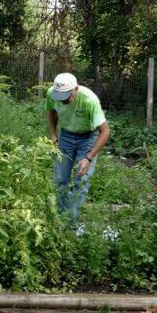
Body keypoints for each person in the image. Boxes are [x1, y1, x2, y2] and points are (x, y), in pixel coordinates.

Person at [46, 72, 111, 225]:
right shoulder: (51, 94)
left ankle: (70, 223)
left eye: (66, 96)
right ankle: (60, 220)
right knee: (59, 179)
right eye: (60, 96)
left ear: (75, 89)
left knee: (81, 181)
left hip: (88, 138)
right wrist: (54, 134)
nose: (62, 100)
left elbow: (105, 131)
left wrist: (89, 157)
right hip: (66, 136)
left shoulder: (89, 100)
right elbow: (52, 112)